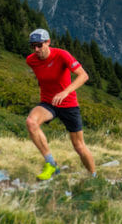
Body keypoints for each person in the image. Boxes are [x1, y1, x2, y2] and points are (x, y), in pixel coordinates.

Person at [24, 28, 97, 181]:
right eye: (33, 46)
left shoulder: (62, 54)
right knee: (31, 122)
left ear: (48, 42)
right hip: (48, 103)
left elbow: (83, 75)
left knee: (79, 146)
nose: (36, 50)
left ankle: (94, 177)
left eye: (39, 45)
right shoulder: (31, 60)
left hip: (69, 104)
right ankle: (51, 164)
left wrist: (65, 92)